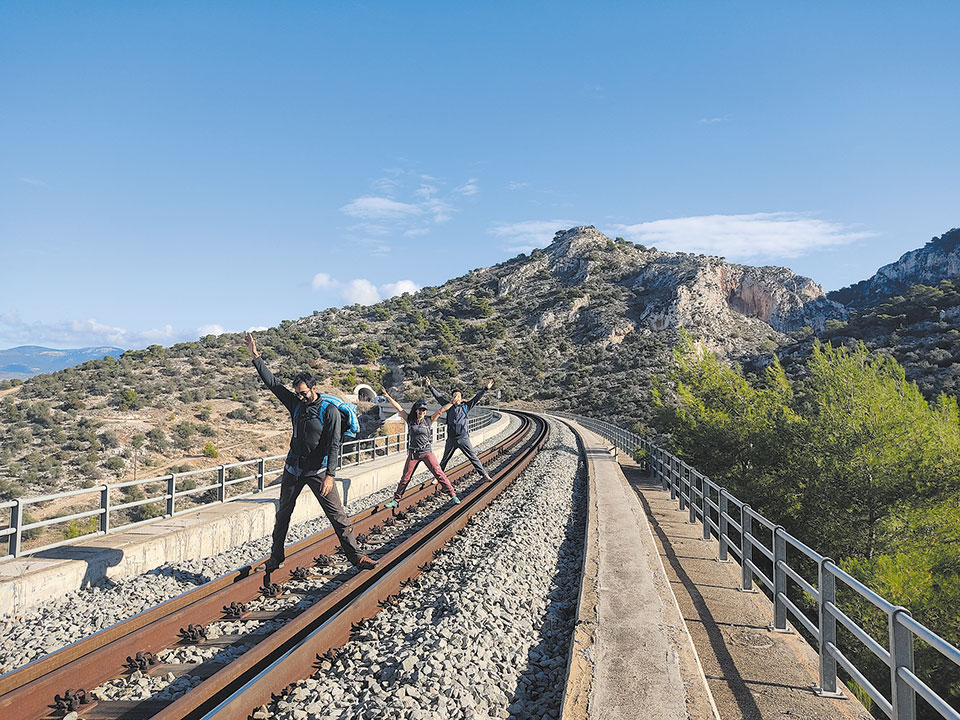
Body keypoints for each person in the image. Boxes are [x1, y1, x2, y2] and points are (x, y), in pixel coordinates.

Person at [245, 332, 376, 574]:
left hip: (319, 470)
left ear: (314, 388)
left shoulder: (330, 411)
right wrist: (256, 357)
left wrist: (331, 475)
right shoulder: (296, 404)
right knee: (282, 515)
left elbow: (335, 443)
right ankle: (276, 558)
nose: (300, 397)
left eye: (304, 393)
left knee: (337, 517)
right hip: (293, 468)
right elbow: (273, 384)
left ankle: (357, 557)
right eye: (297, 393)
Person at [380, 389, 459, 508]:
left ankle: (452, 495)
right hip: (413, 454)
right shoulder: (410, 420)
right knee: (405, 477)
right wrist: (387, 397)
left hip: (426, 452)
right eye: (420, 409)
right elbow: (399, 408)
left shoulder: (428, 420)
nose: (422, 412)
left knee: (439, 473)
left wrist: (452, 403)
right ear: (416, 410)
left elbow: (441, 410)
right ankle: (396, 500)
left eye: (424, 410)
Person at [426, 376, 495, 481]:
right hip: (451, 439)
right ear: (451, 398)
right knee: (445, 459)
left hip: (463, 438)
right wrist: (430, 386)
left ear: (461, 398)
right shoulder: (448, 406)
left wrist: (485, 389)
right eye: (454, 396)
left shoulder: (465, 406)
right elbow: (438, 396)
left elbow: (477, 398)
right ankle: (437, 478)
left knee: (473, 457)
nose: (456, 397)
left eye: (458, 396)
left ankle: (484, 475)